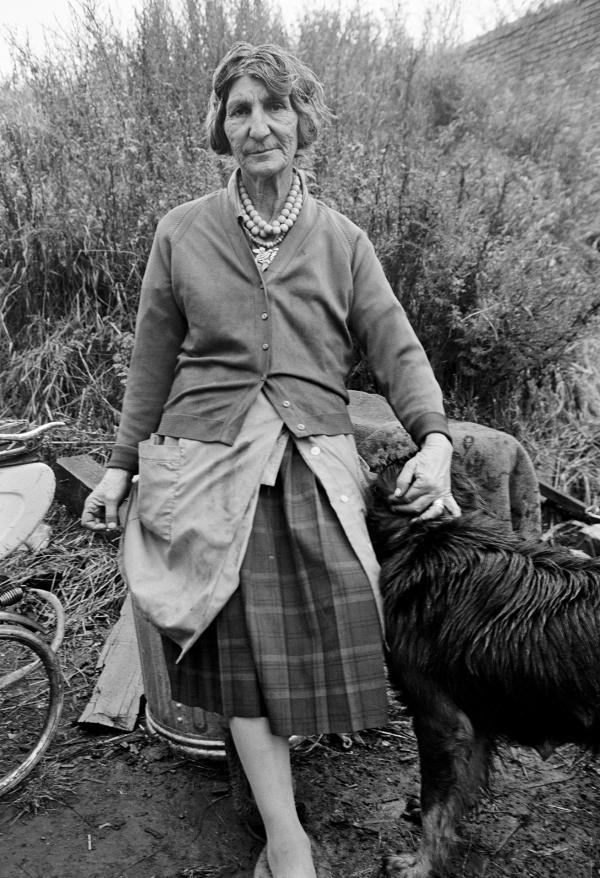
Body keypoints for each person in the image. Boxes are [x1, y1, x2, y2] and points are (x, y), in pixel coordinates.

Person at [82, 42, 460, 878]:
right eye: (240, 111)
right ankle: (289, 842)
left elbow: (396, 347)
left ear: (302, 120)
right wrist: (118, 467)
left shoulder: (343, 240)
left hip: (311, 460)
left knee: (317, 630)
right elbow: (152, 361)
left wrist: (434, 441)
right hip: (211, 463)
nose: (258, 127)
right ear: (220, 127)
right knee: (245, 645)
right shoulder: (180, 232)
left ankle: (271, 800)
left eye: (274, 108)